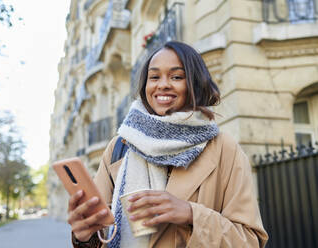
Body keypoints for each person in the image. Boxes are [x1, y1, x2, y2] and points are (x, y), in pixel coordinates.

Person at [67, 41, 268, 248]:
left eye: (176, 77)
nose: (162, 84)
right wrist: (84, 237)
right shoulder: (120, 146)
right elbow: (102, 234)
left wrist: (191, 214)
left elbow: (250, 241)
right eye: (154, 77)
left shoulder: (224, 148)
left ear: (195, 84)